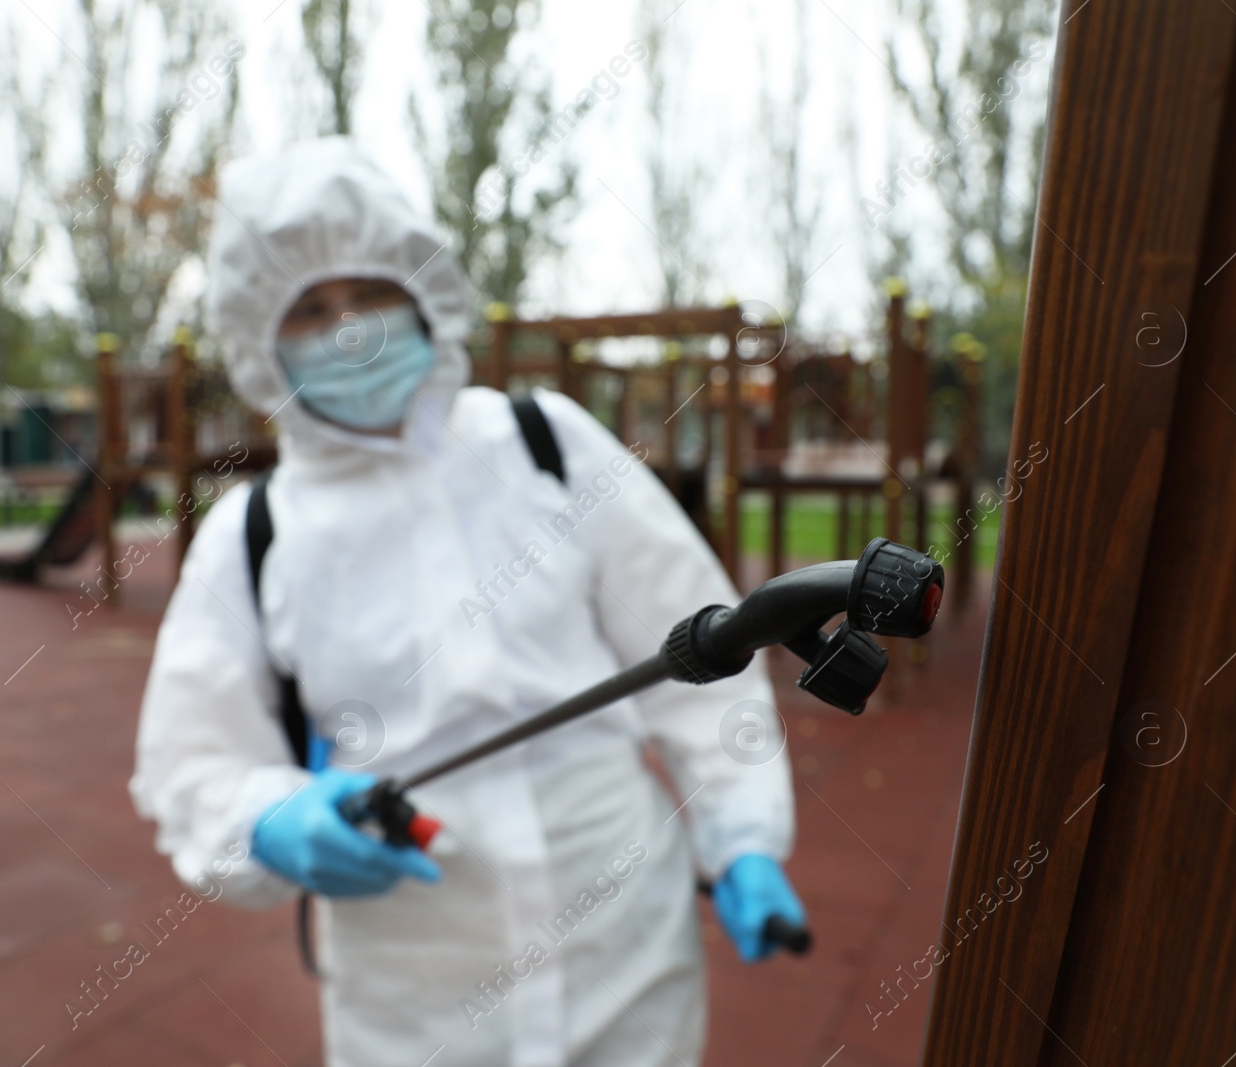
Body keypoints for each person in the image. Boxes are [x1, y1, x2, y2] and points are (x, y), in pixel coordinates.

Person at [130, 137, 804, 1067]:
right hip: (410, 969)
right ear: (261, 342)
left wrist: (743, 833)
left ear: (423, 297)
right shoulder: (252, 536)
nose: (351, 328)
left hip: (621, 924)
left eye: (371, 293)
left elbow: (698, 651)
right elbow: (191, 762)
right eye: (312, 310)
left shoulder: (545, 444)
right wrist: (272, 821)